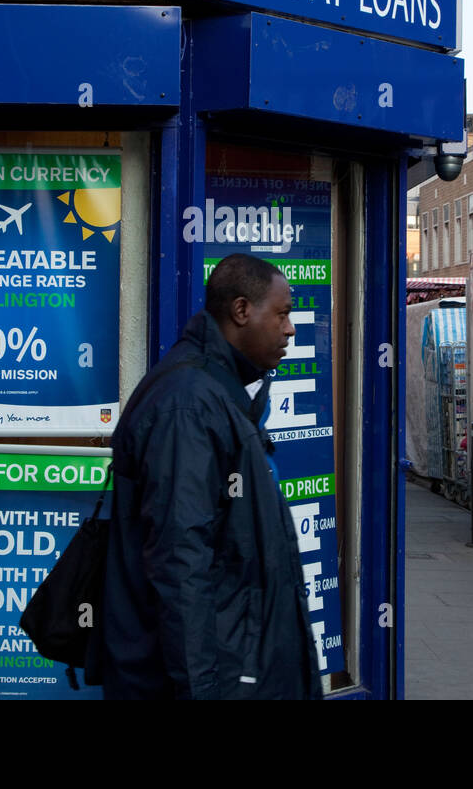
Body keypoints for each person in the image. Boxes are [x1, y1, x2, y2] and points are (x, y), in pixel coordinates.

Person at [87, 253, 324, 699]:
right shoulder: (189, 406)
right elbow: (180, 562)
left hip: (233, 665)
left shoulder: (216, 392)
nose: (290, 328)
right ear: (241, 311)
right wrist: (201, 690)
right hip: (207, 678)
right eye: (283, 313)